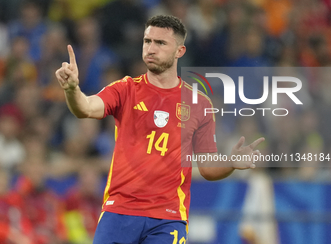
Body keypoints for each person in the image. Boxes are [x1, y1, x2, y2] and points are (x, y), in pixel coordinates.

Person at [55, 15, 264, 243]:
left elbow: (207, 168)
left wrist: (230, 164)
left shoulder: (199, 104)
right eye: (147, 41)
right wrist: (72, 89)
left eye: (160, 43)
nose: (151, 49)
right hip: (119, 210)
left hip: (168, 218)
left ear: (179, 51)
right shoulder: (125, 89)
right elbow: (84, 108)